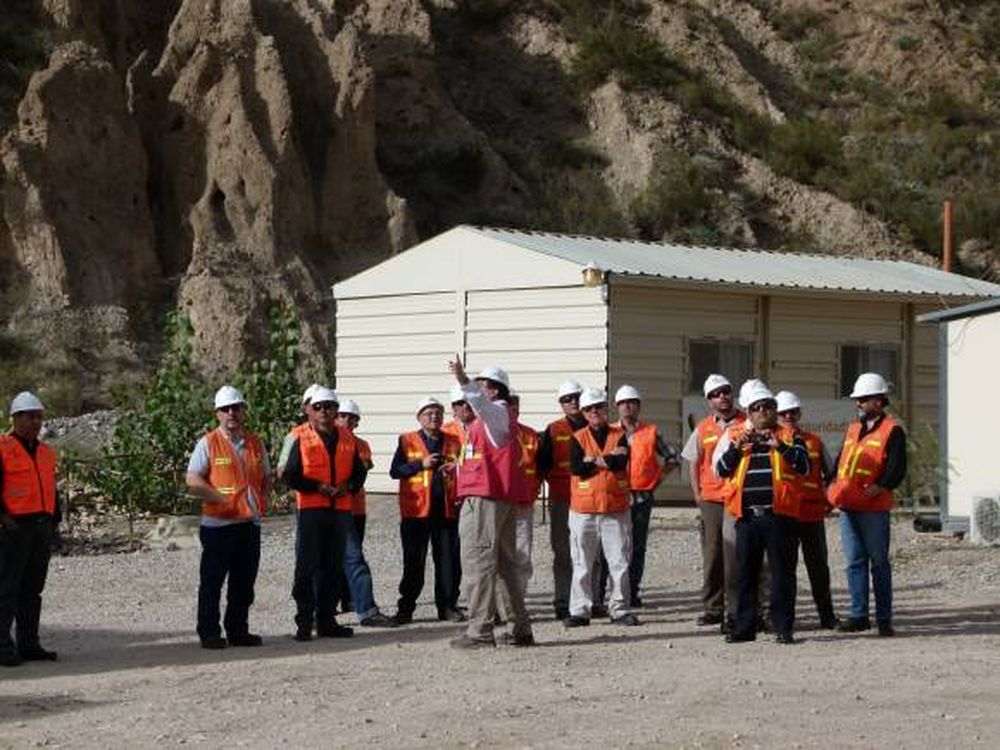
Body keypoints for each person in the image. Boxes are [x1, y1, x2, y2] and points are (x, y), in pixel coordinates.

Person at [714, 380, 808, 644]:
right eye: (757, 407)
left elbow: (804, 467)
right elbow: (720, 471)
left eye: (768, 406)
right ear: (749, 412)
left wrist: (780, 446)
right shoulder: (735, 437)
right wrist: (737, 447)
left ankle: (783, 627)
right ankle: (744, 627)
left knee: (781, 574)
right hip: (747, 518)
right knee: (745, 574)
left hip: (779, 516)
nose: (763, 411)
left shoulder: (789, 435)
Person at [449, 359, 535, 649]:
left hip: (485, 500)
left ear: (494, 391)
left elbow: (480, 403)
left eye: (481, 384)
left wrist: (462, 378)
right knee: (505, 565)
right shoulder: (494, 419)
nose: (474, 390)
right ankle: (518, 627)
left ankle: (480, 630)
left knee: (479, 562)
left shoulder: (494, 413)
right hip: (498, 497)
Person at [185, 385, 271, 649]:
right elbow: (192, 479)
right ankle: (209, 632)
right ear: (217, 414)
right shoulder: (208, 442)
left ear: (244, 410)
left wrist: (262, 499)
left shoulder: (256, 442)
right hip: (218, 525)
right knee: (212, 582)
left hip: (247, 524)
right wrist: (218, 498)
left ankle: (238, 630)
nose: (231, 412)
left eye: (236, 407)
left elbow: (266, 476)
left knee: (244, 584)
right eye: (225, 409)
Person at [281, 386, 367, 641]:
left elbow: (359, 472)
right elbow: (289, 474)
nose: (324, 412)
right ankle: (304, 621)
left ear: (335, 410)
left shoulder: (348, 438)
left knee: (332, 567)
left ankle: (327, 620)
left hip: (340, 509)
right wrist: (317, 487)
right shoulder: (298, 437)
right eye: (318, 407)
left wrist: (347, 488)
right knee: (307, 567)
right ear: (309, 410)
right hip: (311, 509)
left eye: (329, 407)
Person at [829, 373, 907, 637]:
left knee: (878, 562)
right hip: (849, 507)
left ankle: (884, 619)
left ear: (878, 400)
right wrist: (830, 487)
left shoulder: (892, 430)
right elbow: (840, 461)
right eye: (858, 400)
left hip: (874, 508)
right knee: (854, 562)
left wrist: (875, 489)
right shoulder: (853, 429)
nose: (858, 404)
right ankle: (859, 615)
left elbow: (897, 469)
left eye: (863, 399)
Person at [594, 385, 678, 609]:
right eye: (623, 403)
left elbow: (672, 458)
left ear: (638, 406)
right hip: (613, 497)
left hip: (641, 498)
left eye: (632, 402)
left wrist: (656, 481)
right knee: (607, 547)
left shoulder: (651, 432)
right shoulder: (609, 432)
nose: (627, 406)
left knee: (637, 546)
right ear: (617, 406)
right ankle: (599, 594)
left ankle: (631, 592)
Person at [564, 388, 638, 627]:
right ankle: (580, 610)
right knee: (582, 563)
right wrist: (606, 459)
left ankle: (619, 609)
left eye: (598, 407)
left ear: (606, 410)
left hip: (615, 509)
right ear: (584, 413)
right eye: (588, 409)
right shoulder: (577, 437)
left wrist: (593, 460)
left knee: (619, 562)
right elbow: (576, 467)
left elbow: (621, 462)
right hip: (583, 510)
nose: (594, 412)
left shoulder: (620, 435)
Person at [389, 397, 464, 625]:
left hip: (446, 511)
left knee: (449, 563)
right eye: (429, 413)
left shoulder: (454, 440)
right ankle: (406, 608)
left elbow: (464, 470)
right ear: (419, 417)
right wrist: (420, 464)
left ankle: (448, 607)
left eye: (438, 413)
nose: (434, 417)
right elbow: (395, 471)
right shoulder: (407, 440)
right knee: (414, 562)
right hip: (416, 512)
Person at [681, 374, 746, 628]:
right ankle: (712, 608)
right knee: (712, 555)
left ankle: (735, 608)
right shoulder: (703, 427)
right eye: (716, 394)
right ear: (709, 401)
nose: (723, 397)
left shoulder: (746, 422)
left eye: (726, 391)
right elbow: (693, 462)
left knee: (734, 557)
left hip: (736, 497)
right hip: (710, 500)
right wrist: (698, 495)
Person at [0, 391, 59, 666]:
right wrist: (4, 519)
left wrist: (54, 525)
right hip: (13, 528)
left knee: (32, 590)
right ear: (15, 418)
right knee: (6, 589)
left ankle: (29, 644)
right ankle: (2, 646)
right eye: (30, 417)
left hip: (40, 526)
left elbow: (51, 491)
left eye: (39, 417)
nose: (36, 422)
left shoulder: (46, 453)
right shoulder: (2, 448)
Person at [775, 390, 839, 630]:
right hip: (783, 514)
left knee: (818, 567)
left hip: (811, 513)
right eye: (784, 412)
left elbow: (831, 473)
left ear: (799, 412)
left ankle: (827, 616)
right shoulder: (771, 440)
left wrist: (830, 500)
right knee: (785, 569)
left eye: (793, 411)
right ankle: (786, 620)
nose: (789, 416)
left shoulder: (813, 441)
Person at [333, 399, 395, 627]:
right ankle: (343, 603)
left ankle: (352, 600)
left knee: (352, 555)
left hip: (355, 508)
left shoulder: (362, 445)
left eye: (352, 417)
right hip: (332, 510)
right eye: (343, 416)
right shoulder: (328, 442)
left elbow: (362, 472)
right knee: (344, 558)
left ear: (357, 422)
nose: (347, 420)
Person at [537, 378, 586, 620]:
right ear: (561, 404)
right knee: (563, 552)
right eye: (567, 399)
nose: (573, 402)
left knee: (590, 553)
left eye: (576, 397)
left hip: (591, 500)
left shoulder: (597, 425)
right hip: (562, 499)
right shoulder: (553, 429)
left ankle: (590, 600)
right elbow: (542, 465)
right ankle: (562, 600)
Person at [496, 389, 539, 622]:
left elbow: (540, 466)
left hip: (523, 504)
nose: (512, 409)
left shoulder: (531, 435)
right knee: (495, 557)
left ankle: (516, 606)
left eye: (516, 405)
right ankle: (496, 608)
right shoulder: (493, 432)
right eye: (508, 405)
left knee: (521, 557)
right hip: (499, 503)